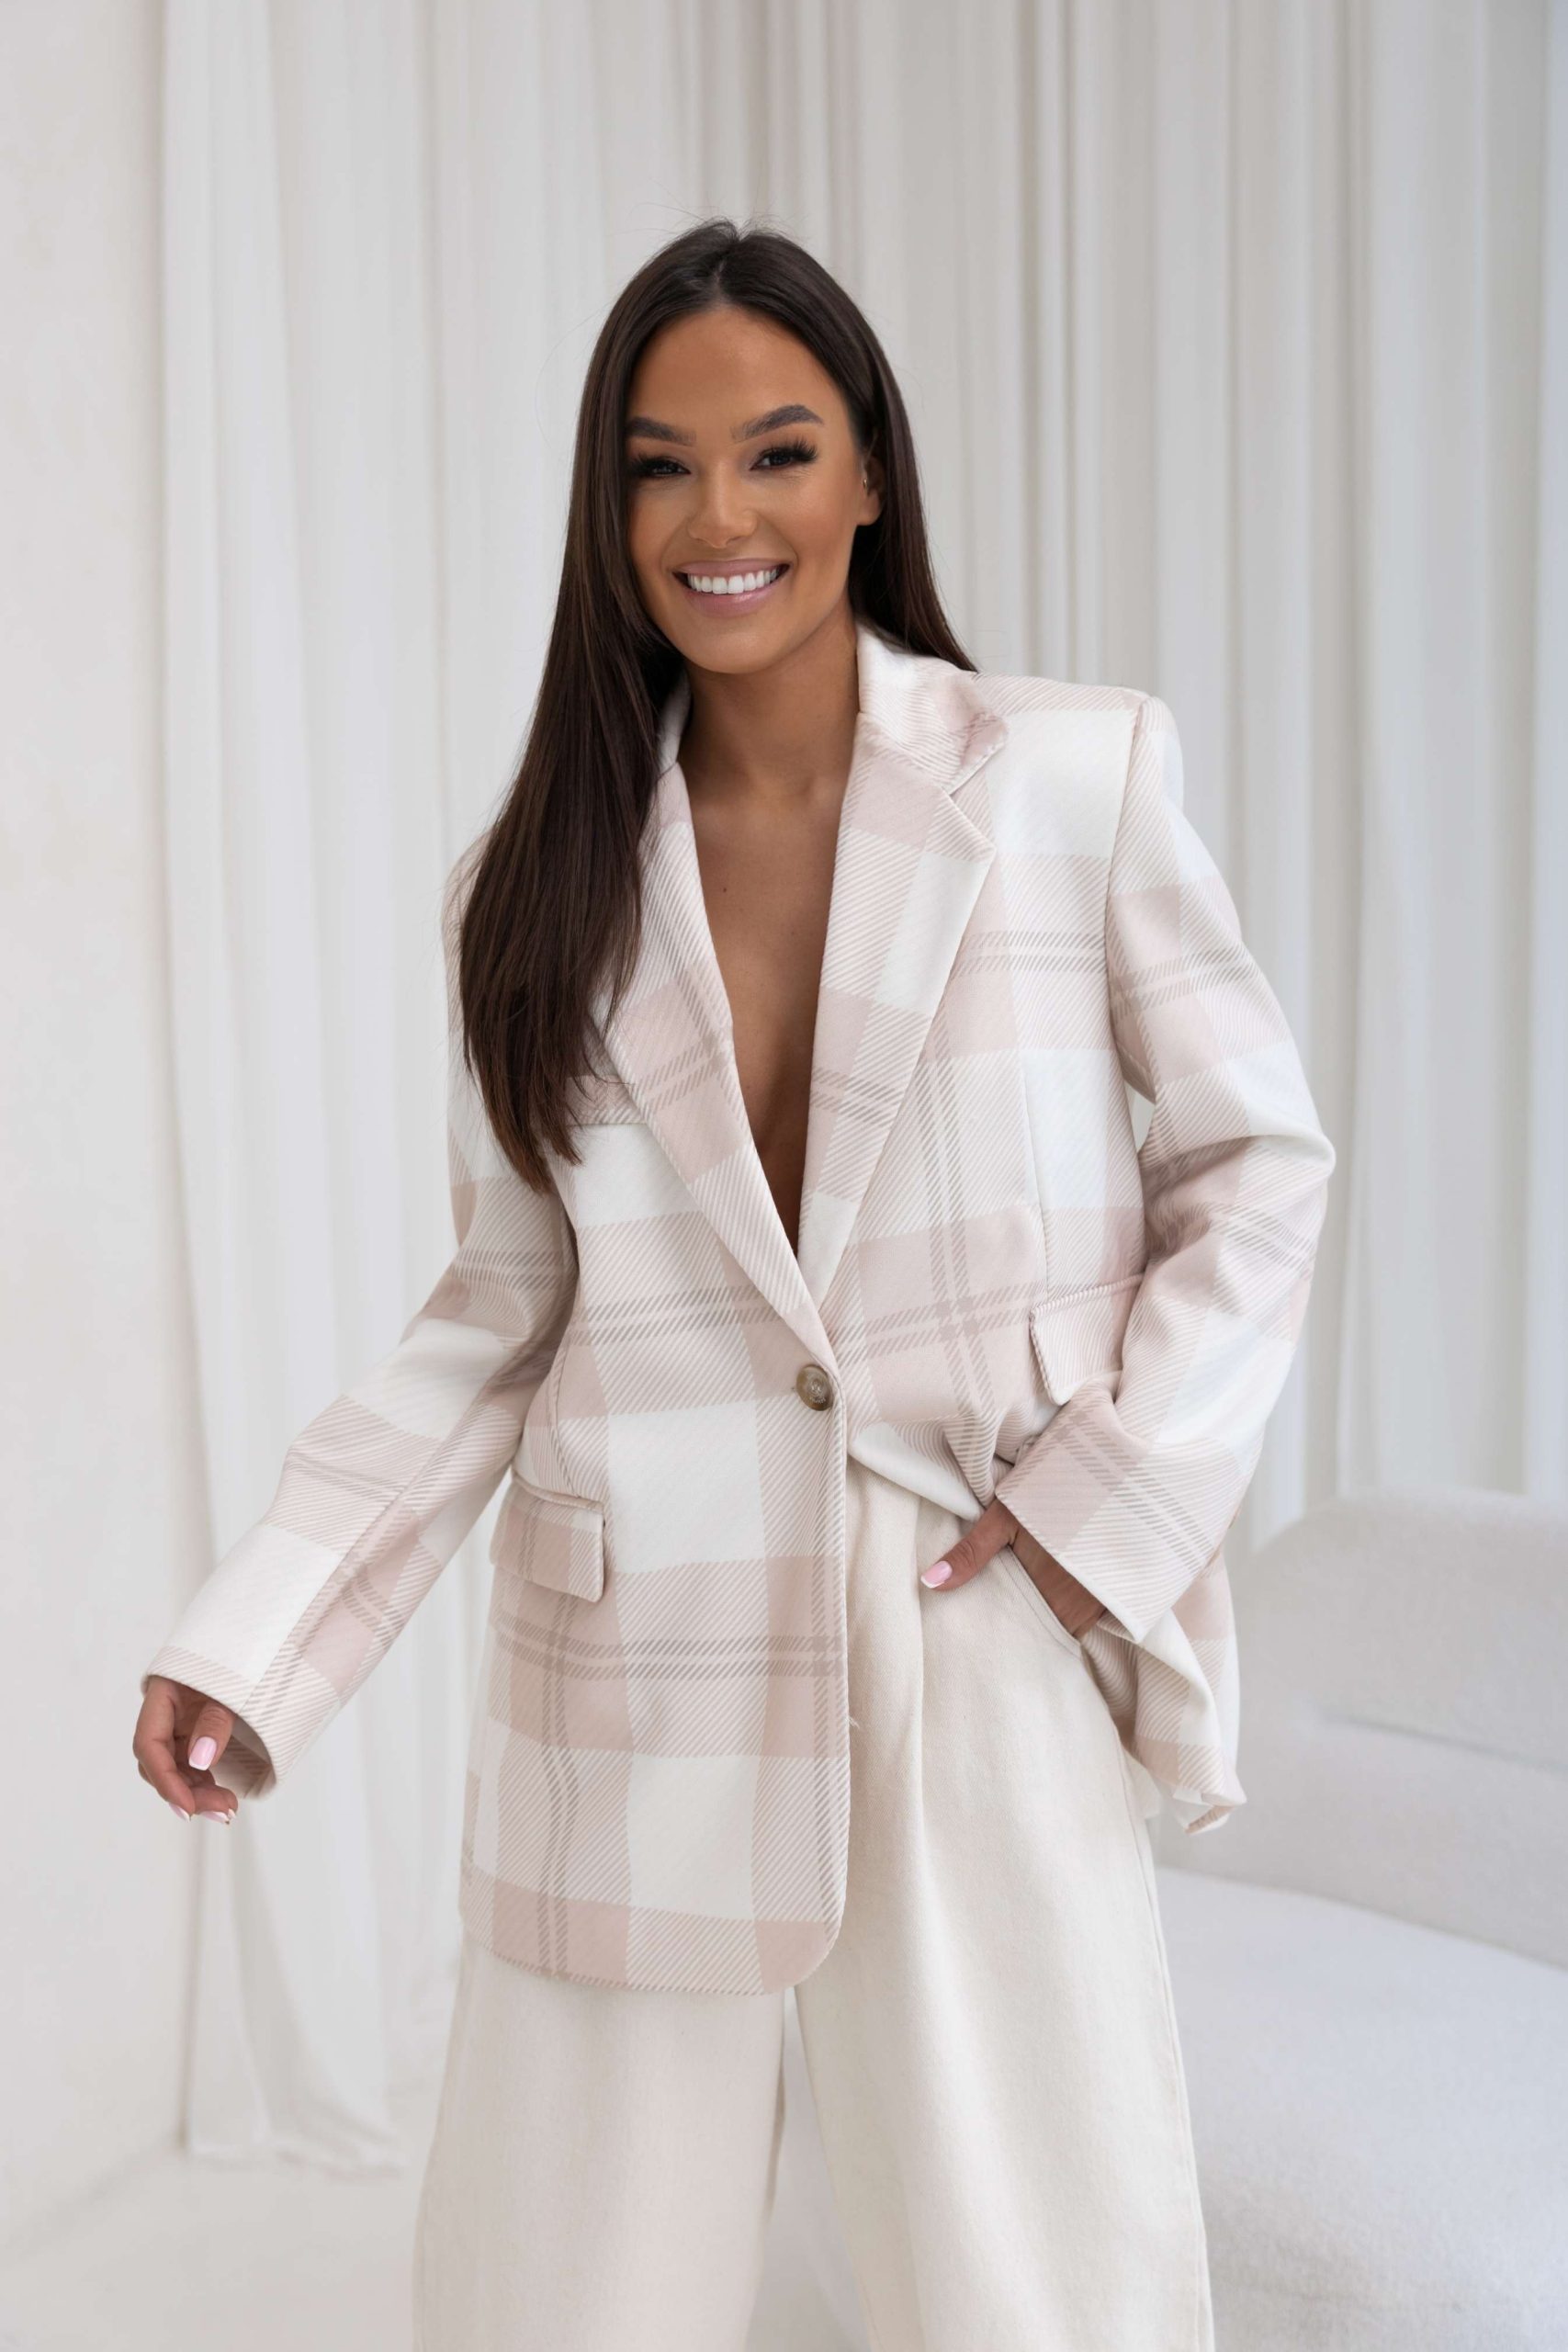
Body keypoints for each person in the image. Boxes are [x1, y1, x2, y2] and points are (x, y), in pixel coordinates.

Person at [133, 216, 1336, 2349]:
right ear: (606, 514)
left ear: (866, 470)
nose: (718, 518)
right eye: (656, 466)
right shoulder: (532, 891)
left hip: (971, 1606)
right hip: (628, 1646)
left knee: (1036, 2277)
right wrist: (264, 1638)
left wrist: (1097, 1511)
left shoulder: (1071, 776)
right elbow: (496, 1318)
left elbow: (1253, 1162)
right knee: (561, 2292)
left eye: (774, 450)